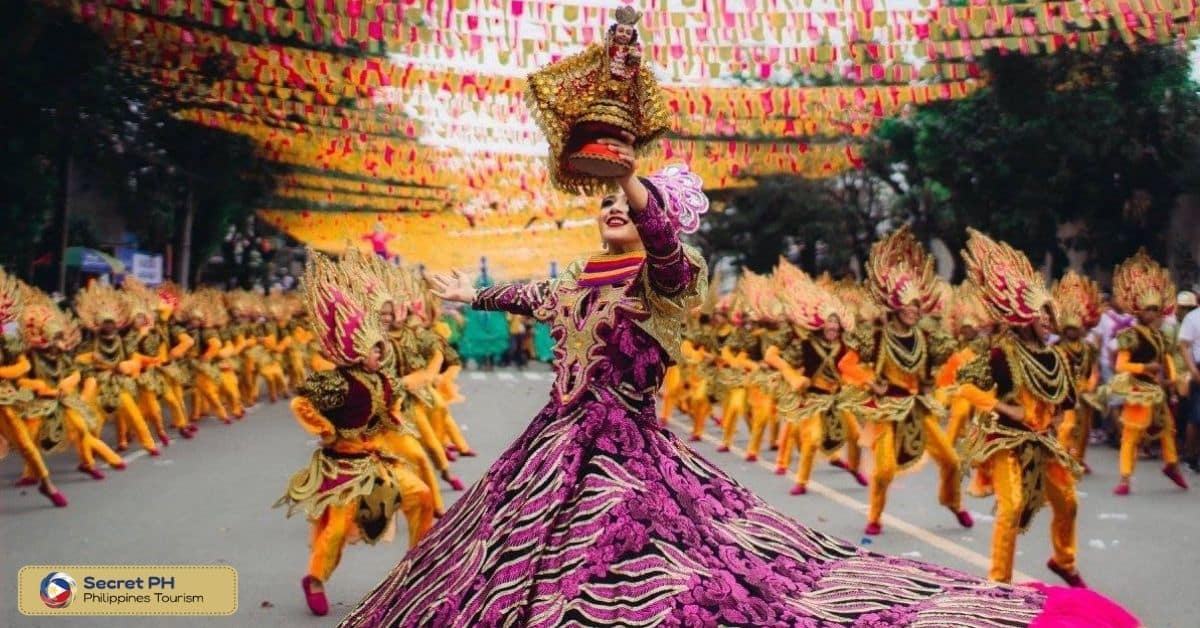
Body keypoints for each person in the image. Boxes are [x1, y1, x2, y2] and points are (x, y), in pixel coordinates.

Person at [336, 138, 1136, 627]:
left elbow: (656, 236)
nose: (616, 209)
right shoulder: (577, 285)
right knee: (510, 561)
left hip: (625, 454)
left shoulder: (668, 279)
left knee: (661, 566)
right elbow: (528, 297)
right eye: (607, 202)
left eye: (629, 204)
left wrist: (628, 169)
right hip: (549, 450)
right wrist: (461, 291)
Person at [953, 229, 1086, 586]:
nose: (1048, 322)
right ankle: (999, 583)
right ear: (1026, 318)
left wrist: (1058, 418)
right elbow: (964, 385)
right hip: (1007, 440)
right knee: (1010, 508)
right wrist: (1003, 408)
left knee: (1069, 502)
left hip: (1042, 442)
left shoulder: (1055, 355)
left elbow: (1066, 399)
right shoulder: (1002, 352)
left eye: (1050, 316)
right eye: (1042, 316)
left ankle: (1064, 561)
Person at [1109, 250, 1189, 495]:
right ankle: (1124, 478)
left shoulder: (1161, 335)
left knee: (1168, 429)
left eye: (1155, 309)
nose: (1151, 313)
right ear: (1138, 311)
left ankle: (1172, 465)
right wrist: (1145, 367)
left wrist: (1175, 379)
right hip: (1136, 388)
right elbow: (1120, 366)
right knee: (1132, 434)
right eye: (1147, 309)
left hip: (1156, 389)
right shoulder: (1130, 335)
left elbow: (1167, 358)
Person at [1177, 290, 1200, 471]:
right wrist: (1193, 370)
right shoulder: (1193, 318)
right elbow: (1183, 346)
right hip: (1198, 369)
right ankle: (1190, 454)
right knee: (1196, 415)